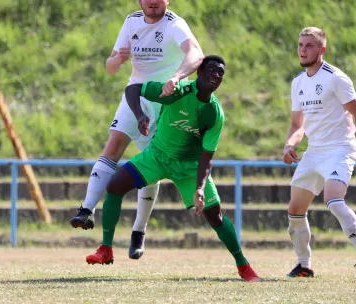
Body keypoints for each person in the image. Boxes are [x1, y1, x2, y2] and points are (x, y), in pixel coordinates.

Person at [84, 55, 260, 282]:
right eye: (211, 70)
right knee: (115, 185)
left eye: (220, 73)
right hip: (157, 156)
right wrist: (140, 116)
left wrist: (199, 188)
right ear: (199, 72)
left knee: (215, 217)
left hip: (189, 167)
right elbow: (134, 89)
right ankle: (106, 249)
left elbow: (207, 156)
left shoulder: (214, 113)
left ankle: (243, 265)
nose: (216, 75)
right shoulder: (177, 91)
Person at [70, 0, 204, 261]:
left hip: (166, 102)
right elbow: (109, 67)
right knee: (114, 145)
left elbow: (196, 54)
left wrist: (177, 77)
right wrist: (117, 60)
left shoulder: (174, 24)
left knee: (150, 165)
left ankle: (138, 231)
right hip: (135, 95)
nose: (154, 0)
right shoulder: (131, 22)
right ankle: (87, 209)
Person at [283, 27, 356, 281]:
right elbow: (297, 125)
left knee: (334, 200)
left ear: (321, 50)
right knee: (295, 209)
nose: (303, 50)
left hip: (339, 149)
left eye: (309, 46)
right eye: (301, 45)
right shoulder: (298, 83)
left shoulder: (336, 78)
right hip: (314, 152)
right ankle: (304, 265)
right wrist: (289, 145)